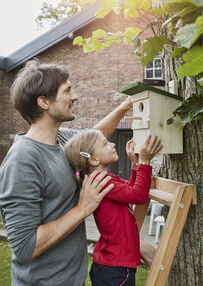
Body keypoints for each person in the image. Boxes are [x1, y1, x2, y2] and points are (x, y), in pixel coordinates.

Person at [0, 59, 133, 286]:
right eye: (67, 91)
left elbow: (95, 135)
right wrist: (83, 209)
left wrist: (124, 107)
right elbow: (25, 247)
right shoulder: (23, 159)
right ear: (43, 102)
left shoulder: (63, 140)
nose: (76, 96)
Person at [64, 129, 162, 286]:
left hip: (110, 266)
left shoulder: (103, 180)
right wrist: (145, 162)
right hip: (116, 268)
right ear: (94, 160)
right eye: (105, 143)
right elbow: (139, 196)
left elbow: (130, 192)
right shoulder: (103, 182)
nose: (113, 144)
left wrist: (135, 165)